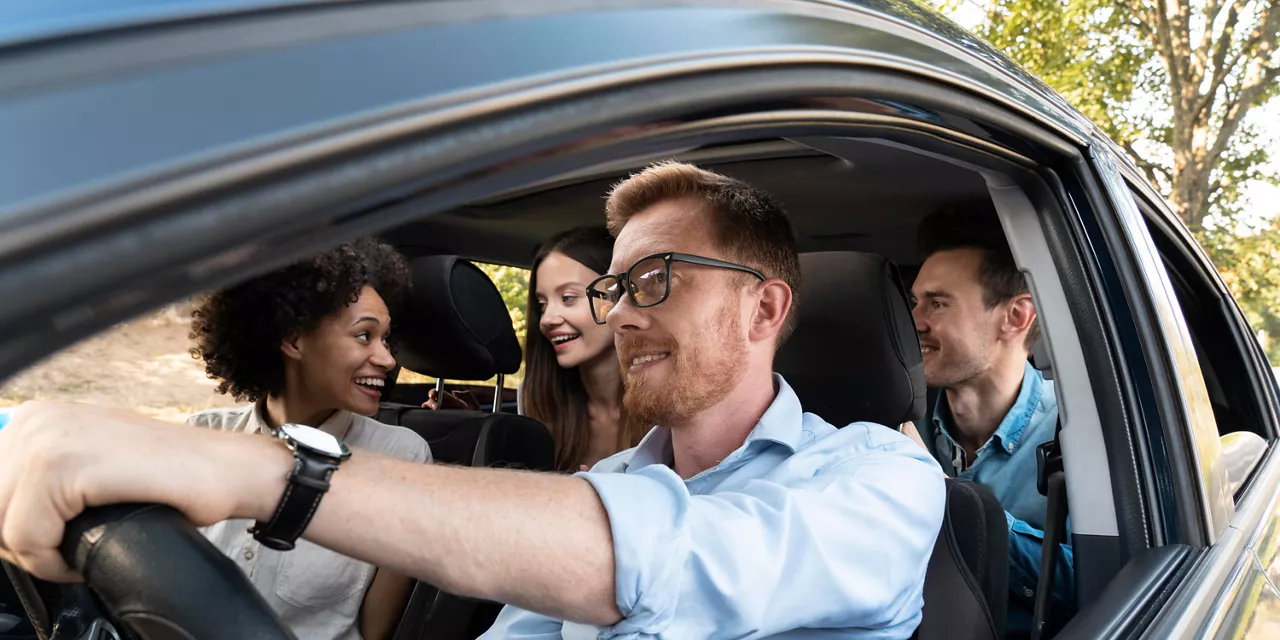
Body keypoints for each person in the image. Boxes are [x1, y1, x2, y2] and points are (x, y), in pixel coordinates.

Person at [0, 162, 945, 639]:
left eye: (653, 281)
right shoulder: (605, 480)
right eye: (612, 290)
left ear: (764, 307)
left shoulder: (881, 475)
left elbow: (673, 557)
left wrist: (262, 473)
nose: (620, 317)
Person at [186, 238, 430, 640]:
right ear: (294, 340)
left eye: (386, 340)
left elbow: (375, 635)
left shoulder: (402, 457)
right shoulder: (203, 434)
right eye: (365, 336)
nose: (388, 360)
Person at [903, 209, 1075, 636]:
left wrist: (941, 492)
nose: (915, 321)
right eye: (914, 302)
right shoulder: (893, 424)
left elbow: (1088, 586)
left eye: (938, 303)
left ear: (1015, 317)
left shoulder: (1079, 434)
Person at [429, 227, 646, 471]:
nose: (547, 319)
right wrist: (480, 430)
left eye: (568, 298)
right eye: (542, 304)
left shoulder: (665, 401)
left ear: (620, 297)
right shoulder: (536, 398)